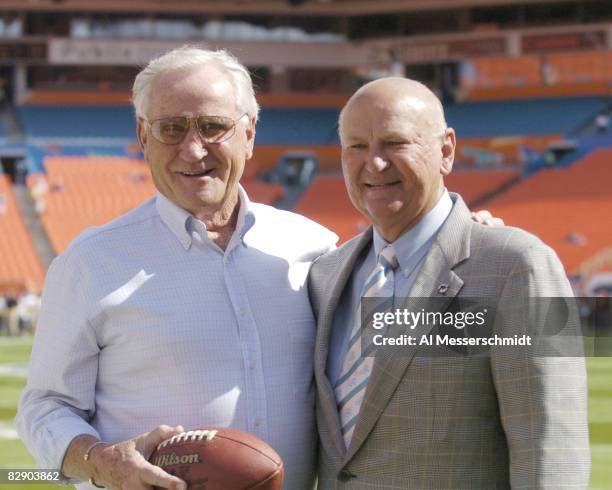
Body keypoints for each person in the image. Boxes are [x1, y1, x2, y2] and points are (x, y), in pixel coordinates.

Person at [15, 46, 338, 490]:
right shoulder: (88, 264)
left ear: (249, 132)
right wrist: (99, 460)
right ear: (143, 137)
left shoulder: (314, 247)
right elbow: (44, 406)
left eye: (212, 126)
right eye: (171, 129)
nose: (192, 148)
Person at [308, 78, 590, 489]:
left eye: (394, 142)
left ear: (446, 151)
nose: (374, 163)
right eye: (356, 146)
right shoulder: (325, 276)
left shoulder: (516, 266)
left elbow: (550, 450)